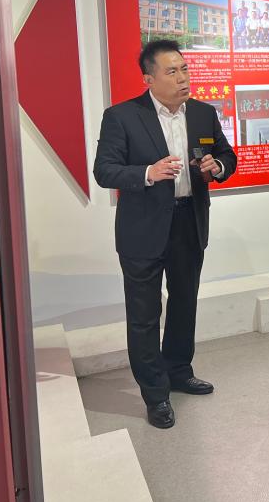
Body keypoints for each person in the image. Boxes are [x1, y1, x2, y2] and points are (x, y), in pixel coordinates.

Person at [92, 40, 237, 429]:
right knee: (144, 315)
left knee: (184, 302)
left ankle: (178, 372)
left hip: (189, 220)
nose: (182, 78)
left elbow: (227, 156)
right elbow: (104, 170)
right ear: (149, 79)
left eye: (184, 69)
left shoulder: (203, 113)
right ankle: (155, 394)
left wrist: (217, 167)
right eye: (172, 71)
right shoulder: (122, 116)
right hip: (143, 229)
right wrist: (147, 173)